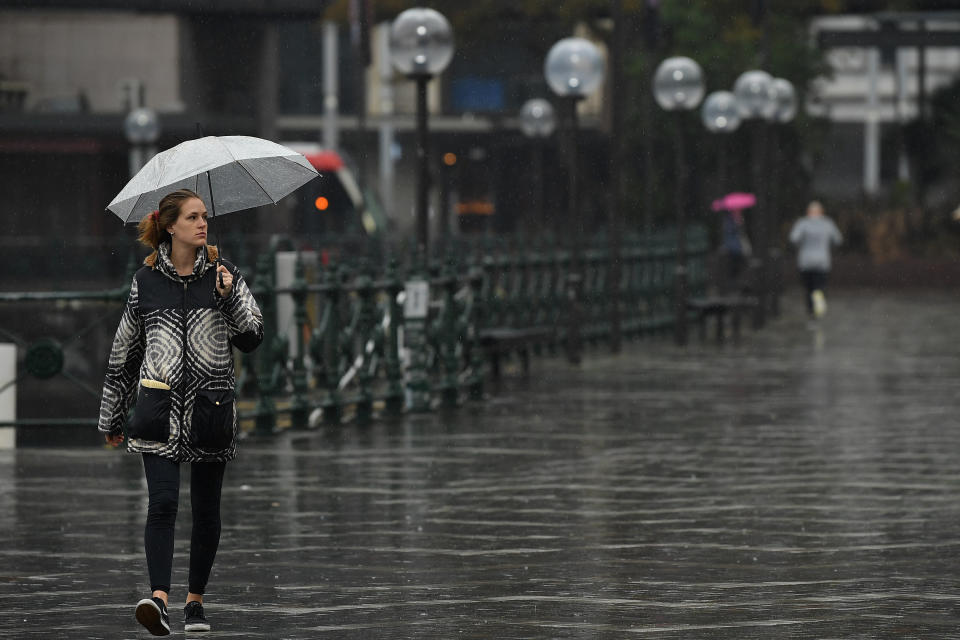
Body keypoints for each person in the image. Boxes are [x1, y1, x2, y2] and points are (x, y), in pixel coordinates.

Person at [98, 188, 263, 636]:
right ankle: (159, 600)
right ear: (170, 226)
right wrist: (112, 417)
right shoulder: (146, 281)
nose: (202, 224)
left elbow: (252, 336)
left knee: (206, 510)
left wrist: (228, 299)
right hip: (158, 408)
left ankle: (195, 603)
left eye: (205, 216)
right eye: (192, 217)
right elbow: (125, 353)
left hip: (211, 410)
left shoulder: (225, 275)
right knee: (163, 503)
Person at [789, 200, 842, 319]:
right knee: (819, 285)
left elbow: (793, 238)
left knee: (808, 287)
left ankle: (810, 310)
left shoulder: (802, 223)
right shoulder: (828, 223)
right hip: (822, 261)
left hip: (805, 261)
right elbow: (838, 239)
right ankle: (818, 298)